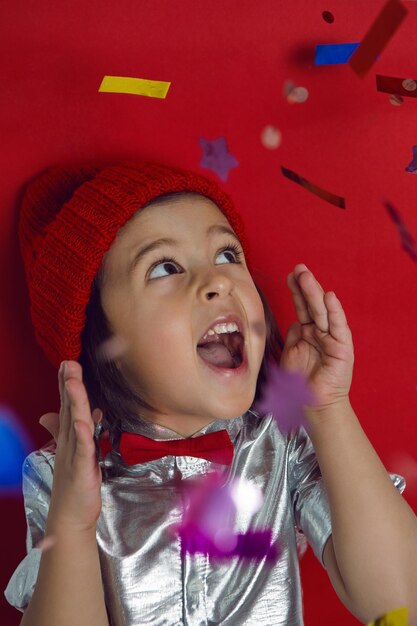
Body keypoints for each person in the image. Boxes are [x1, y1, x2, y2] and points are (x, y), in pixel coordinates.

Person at [4, 161, 417, 626]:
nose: (218, 280)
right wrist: (74, 525)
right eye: (165, 267)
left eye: (226, 255)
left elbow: (402, 601)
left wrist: (327, 409)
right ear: (100, 344)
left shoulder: (282, 444)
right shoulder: (58, 478)